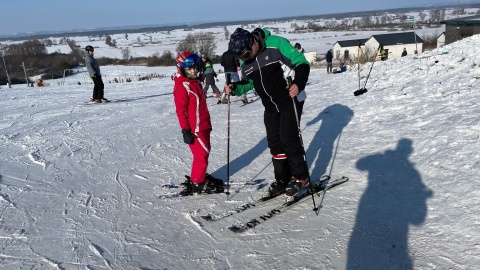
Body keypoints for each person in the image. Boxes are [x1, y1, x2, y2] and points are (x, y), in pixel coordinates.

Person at [225, 28, 311, 198]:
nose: (244, 59)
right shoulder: (245, 61)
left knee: (288, 137)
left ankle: (301, 177)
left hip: (290, 99)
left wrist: (298, 83)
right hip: (270, 107)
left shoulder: (275, 44)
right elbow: (249, 83)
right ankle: (283, 179)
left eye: (246, 54)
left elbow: (301, 62)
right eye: (241, 57)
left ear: (254, 43)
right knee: (275, 143)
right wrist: (235, 88)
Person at [173, 51, 224, 196]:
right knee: (201, 154)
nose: (193, 71)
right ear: (181, 68)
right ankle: (197, 182)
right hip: (195, 128)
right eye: (189, 69)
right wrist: (185, 130)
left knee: (204, 152)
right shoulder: (183, 86)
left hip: (203, 124)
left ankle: (200, 175)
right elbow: (181, 110)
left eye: (195, 67)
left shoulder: (194, 82)